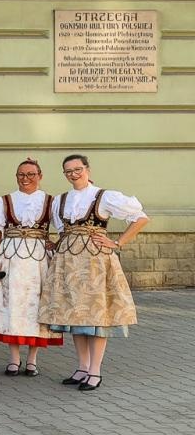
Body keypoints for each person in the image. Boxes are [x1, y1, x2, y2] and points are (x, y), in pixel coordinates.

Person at [41, 154, 149, 392]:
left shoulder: (104, 196)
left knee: (96, 317)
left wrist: (118, 242)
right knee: (75, 316)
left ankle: (95, 371)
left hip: (95, 263)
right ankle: (82, 367)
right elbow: (62, 231)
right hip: (68, 263)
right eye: (68, 171)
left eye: (77, 169)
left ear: (87, 169)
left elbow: (140, 218)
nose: (73, 174)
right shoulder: (60, 200)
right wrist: (55, 244)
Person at [0, 159, 63, 376]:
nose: (25, 179)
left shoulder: (51, 202)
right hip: (11, 259)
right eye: (21, 175)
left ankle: (33, 360)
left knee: (37, 306)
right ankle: (14, 358)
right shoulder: (3, 201)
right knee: (13, 306)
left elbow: (66, 228)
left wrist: (55, 244)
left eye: (30, 174)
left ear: (40, 175)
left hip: (38, 261)